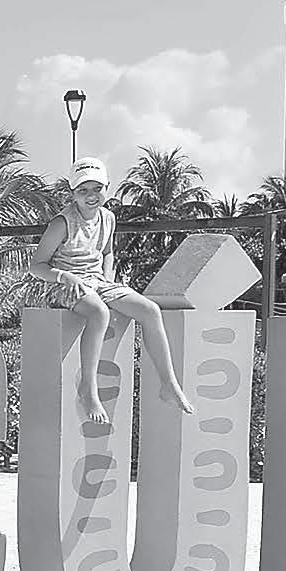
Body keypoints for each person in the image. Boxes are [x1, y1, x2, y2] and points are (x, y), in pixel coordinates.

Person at [28, 157, 196, 426]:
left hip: (97, 282)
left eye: (97, 189)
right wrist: (65, 276)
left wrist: (108, 280)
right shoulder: (62, 223)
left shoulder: (108, 218)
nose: (91, 196)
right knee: (99, 312)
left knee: (150, 310)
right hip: (63, 284)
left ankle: (168, 383)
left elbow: (107, 252)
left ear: (107, 187)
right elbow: (37, 266)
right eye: (83, 190)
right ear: (72, 193)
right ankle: (88, 387)